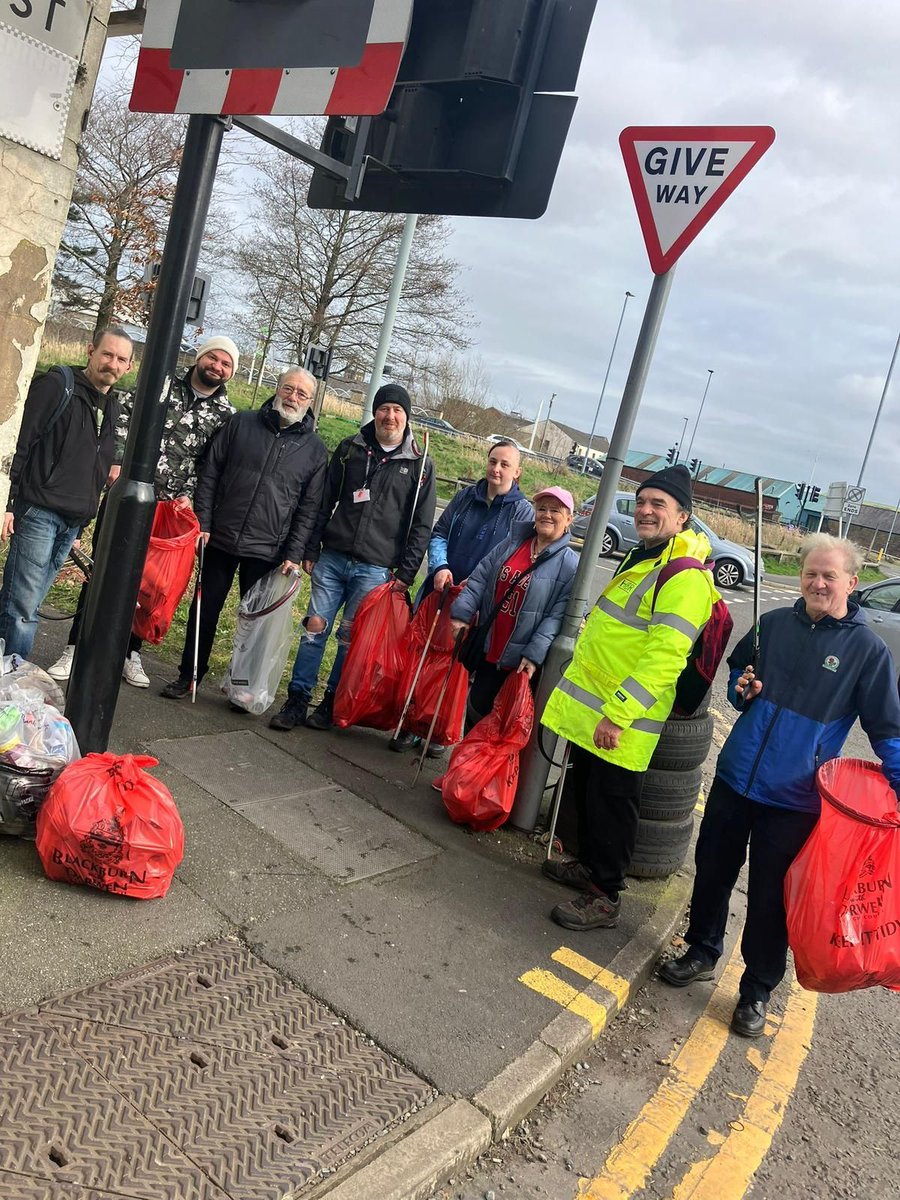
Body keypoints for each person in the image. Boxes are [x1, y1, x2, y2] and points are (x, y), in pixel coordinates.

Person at [658, 534, 900, 1038]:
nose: (816, 582)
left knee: (771, 898)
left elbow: (888, 731)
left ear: (851, 583)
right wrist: (741, 690)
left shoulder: (867, 652)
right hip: (735, 777)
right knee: (713, 871)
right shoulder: (771, 624)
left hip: (795, 799)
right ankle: (701, 950)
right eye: (811, 573)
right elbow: (737, 679)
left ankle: (757, 989)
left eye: (828, 576)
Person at [540, 464, 719, 932]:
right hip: (596, 707)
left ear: (683, 517)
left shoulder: (683, 576)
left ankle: (605, 896)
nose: (645, 510)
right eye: (642, 502)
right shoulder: (645, 556)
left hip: (623, 719)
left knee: (613, 804)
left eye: (658, 504)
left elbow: (664, 658)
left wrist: (618, 715)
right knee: (586, 792)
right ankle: (585, 865)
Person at [48, 335, 238, 687]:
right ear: (200, 358)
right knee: (102, 571)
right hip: (129, 493)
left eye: (226, 364)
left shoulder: (227, 415)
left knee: (150, 586)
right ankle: (77, 646)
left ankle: (130, 653)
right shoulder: (162, 384)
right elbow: (122, 417)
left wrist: (190, 499)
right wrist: (117, 460)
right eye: (213, 357)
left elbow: (212, 465)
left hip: (170, 509)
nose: (217, 367)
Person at [269, 382, 436, 732]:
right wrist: (311, 546)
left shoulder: (420, 465)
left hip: (376, 569)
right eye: (384, 409)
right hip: (332, 557)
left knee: (350, 638)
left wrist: (405, 575)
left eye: (397, 411)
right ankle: (297, 699)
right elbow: (322, 500)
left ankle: (333, 701)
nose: (390, 416)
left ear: (406, 418)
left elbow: (422, 526)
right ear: (375, 412)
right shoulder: (350, 449)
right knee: (314, 629)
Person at [160, 368, 328, 701]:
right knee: (204, 611)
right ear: (277, 389)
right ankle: (189, 675)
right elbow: (210, 472)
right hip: (220, 537)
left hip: (269, 549)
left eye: (301, 394)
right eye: (288, 389)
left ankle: (243, 688)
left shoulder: (315, 450)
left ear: (310, 402)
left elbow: (309, 508)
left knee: (256, 624)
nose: (292, 397)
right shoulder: (241, 423)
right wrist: (203, 522)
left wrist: (294, 553)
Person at [393, 439, 535, 756]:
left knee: (458, 668)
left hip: (479, 605)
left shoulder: (522, 512)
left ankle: (441, 729)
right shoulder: (464, 497)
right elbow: (440, 533)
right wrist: (440, 565)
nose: (496, 469)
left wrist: (480, 585)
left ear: (518, 472)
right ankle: (411, 723)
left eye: (505, 464)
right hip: (441, 592)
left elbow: (514, 558)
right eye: (493, 461)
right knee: (424, 657)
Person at [0, 328, 134, 660]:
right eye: (107, 354)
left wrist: (81, 525)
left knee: (20, 602)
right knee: (23, 609)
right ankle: (12, 688)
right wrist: (8, 503)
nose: (112, 363)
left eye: (121, 359)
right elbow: (21, 443)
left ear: (129, 367)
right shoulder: (58, 385)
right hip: (38, 512)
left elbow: (95, 469)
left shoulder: (114, 408)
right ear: (91, 351)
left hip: (71, 523)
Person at [449, 486, 578, 721]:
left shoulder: (570, 565)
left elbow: (557, 616)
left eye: (555, 510)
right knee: (475, 715)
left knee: (502, 728)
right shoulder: (513, 543)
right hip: (489, 649)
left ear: (568, 519)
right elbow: (481, 577)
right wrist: (462, 613)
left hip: (521, 663)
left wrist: (534, 654)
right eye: (542, 509)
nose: (546, 514)